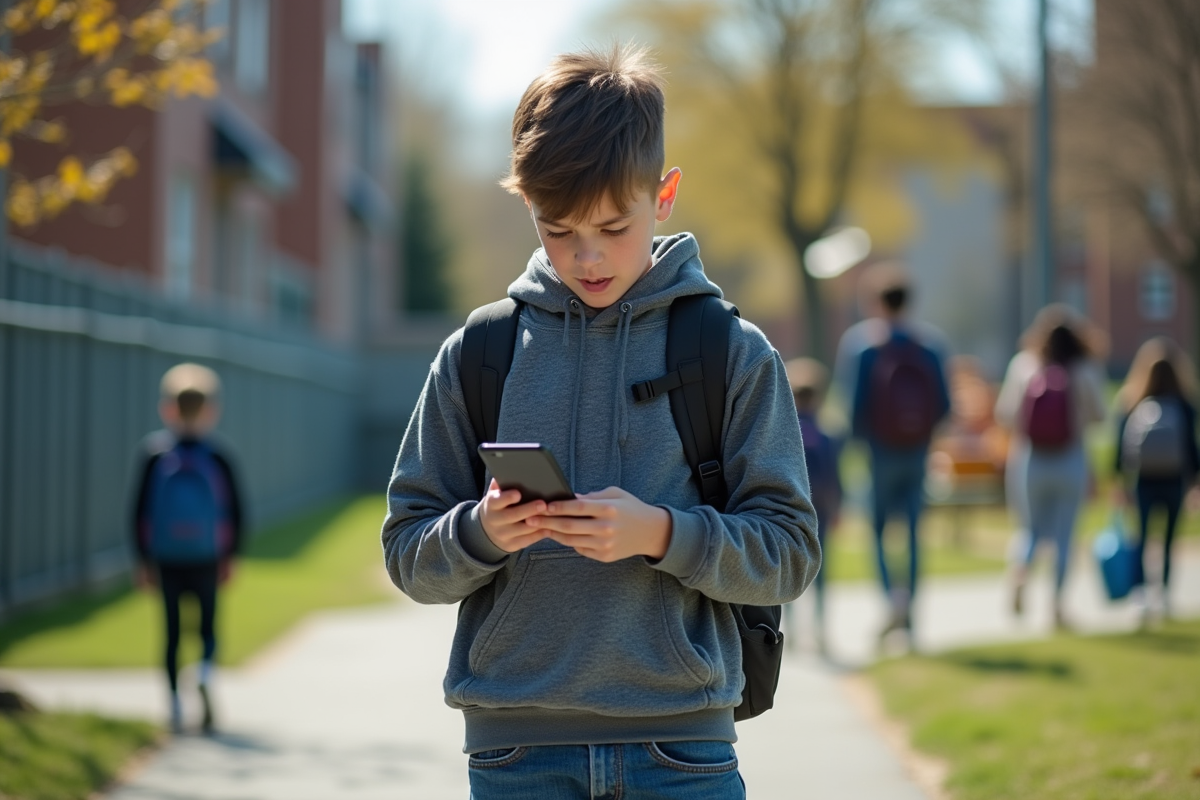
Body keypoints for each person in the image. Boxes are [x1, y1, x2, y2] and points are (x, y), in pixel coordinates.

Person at [382, 46, 820, 799]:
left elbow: (790, 554)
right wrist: (481, 532)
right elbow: (406, 550)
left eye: (614, 227)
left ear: (665, 194)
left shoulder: (731, 353)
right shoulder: (478, 354)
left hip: (682, 752)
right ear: (527, 206)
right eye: (559, 230)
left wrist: (661, 534)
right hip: (514, 756)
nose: (587, 258)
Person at [834, 261, 951, 645]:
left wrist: (853, 446)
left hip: (878, 452)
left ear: (874, 302)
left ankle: (891, 600)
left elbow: (852, 405)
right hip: (918, 452)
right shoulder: (930, 343)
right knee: (915, 532)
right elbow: (945, 405)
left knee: (879, 531)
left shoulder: (861, 345)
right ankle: (911, 611)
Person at [132, 363, 243, 734]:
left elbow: (138, 510)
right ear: (211, 410)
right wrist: (232, 556)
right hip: (207, 556)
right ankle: (205, 671)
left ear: (169, 409)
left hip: (166, 557)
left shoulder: (154, 455)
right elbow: (238, 510)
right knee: (207, 629)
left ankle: (175, 705)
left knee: (172, 631)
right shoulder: (219, 456)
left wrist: (142, 560)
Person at [993, 305, 1106, 630]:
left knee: (1030, 529)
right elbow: (1099, 416)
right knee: (1064, 536)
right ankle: (1056, 605)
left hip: (1030, 458)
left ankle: (1020, 572)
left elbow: (1005, 415)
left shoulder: (1024, 366)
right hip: (1071, 458)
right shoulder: (1084, 369)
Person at [1113, 336, 1199, 624]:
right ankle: (1163, 594)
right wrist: (1194, 481)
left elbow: (1120, 446)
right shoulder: (1184, 404)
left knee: (1142, 536)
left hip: (1143, 479)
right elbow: (1191, 448)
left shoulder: (1132, 401)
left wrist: (1118, 481)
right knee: (1168, 540)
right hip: (1173, 479)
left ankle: (1140, 595)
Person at [784, 358, 842, 654]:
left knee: (788, 571)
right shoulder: (828, 436)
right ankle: (819, 632)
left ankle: (791, 632)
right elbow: (835, 476)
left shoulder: (784, 433)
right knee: (821, 573)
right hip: (820, 512)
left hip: (791, 513)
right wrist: (838, 509)